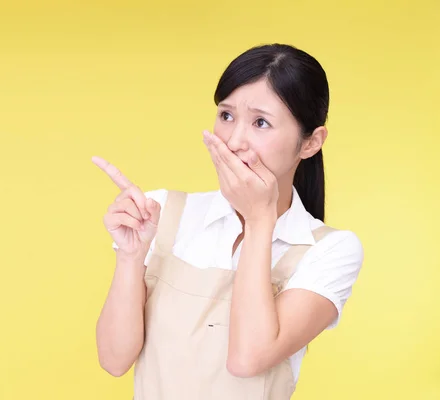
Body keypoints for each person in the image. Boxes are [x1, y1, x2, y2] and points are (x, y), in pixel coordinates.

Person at [92, 43, 364, 399]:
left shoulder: (329, 251)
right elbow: (114, 360)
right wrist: (130, 257)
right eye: (226, 116)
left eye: (261, 122)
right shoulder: (162, 213)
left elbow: (247, 359)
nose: (234, 141)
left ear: (311, 142)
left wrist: (259, 219)